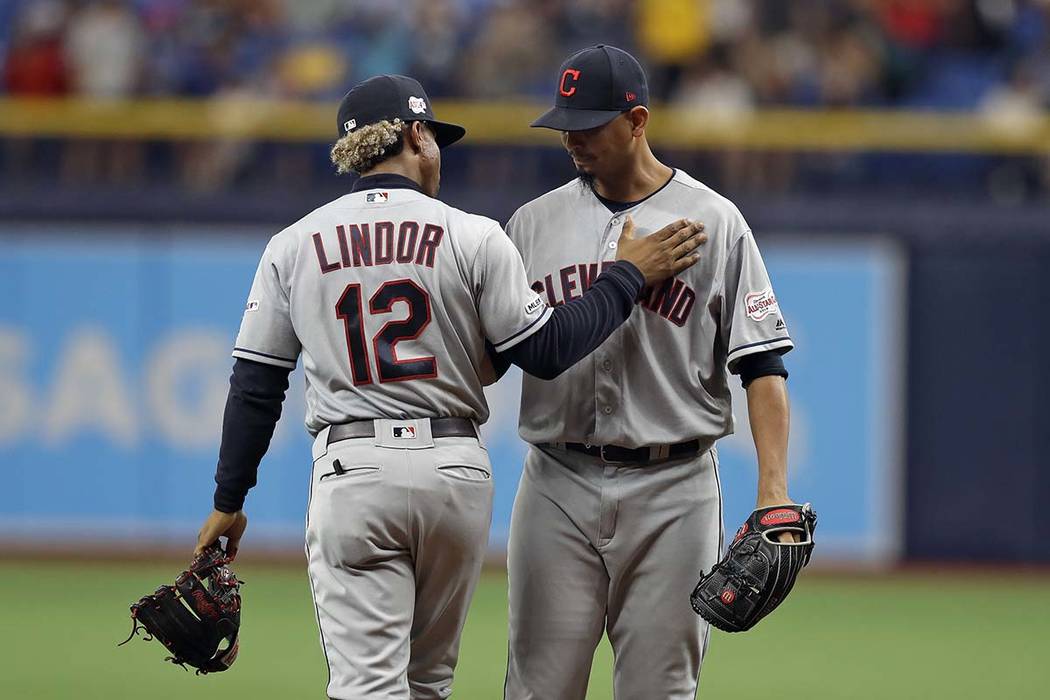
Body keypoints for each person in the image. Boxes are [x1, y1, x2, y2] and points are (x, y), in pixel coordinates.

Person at [191, 74, 706, 700]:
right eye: (435, 137)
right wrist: (625, 276)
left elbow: (255, 385)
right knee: (428, 684)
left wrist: (229, 498)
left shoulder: (293, 244)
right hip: (453, 471)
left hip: (354, 470)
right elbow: (545, 351)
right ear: (414, 134)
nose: (440, 152)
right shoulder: (473, 234)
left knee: (366, 688)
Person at [500, 45, 798, 700]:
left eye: (591, 124)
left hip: (674, 488)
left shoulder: (714, 220)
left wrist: (773, 489)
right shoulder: (531, 224)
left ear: (637, 121)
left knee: (658, 692)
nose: (574, 140)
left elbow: (762, 362)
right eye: (566, 125)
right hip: (557, 482)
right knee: (536, 690)